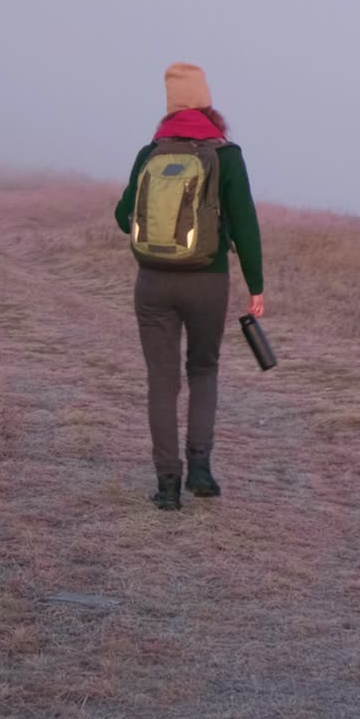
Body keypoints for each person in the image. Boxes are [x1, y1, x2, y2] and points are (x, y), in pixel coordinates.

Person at [115, 63, 264, 511]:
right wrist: (256, 286)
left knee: (161, 382)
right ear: (208, 104)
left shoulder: (151, 152)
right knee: (203, 371)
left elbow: (124, 217)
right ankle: (200, 468)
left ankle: (167, 485)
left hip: (153, 283)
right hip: (207, 281)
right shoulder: (226, 154)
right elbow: (246, 226)